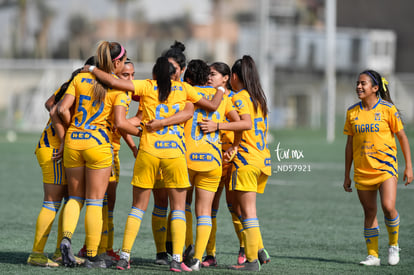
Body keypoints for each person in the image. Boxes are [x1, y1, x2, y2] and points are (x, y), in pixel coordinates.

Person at [86, 56, 225, 272]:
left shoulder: (147, 86)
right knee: (178, 208)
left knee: (137, 207)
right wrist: (221, 90)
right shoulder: (183, 89)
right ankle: (176, 259)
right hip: (174, 154)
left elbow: (113, 82)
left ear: (154, 74)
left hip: (148, 151)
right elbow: (213, 106)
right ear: (174, 74)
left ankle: (125, 257)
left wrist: (93, 68)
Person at [57, 41, 139, 268]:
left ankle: (66, 238)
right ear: (116, 63)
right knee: (95, 201)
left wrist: (75, 127)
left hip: (74, 140)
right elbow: (120, 123)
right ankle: (92, 256)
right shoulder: (119, 89)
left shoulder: (80, 78)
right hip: (98, 144)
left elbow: (62, 109)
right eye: (123, 62)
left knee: (75, 198)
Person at [178, 59, 250, 271]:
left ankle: (184, 251)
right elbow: (241, 125)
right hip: (212, 161)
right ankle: (197, 259)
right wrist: (234, 145)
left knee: (182, 208)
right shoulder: (225, 98)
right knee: (205, 212)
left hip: (187, 158)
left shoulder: (186, 91)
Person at [343, 69, 413, 266]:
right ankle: (373, 255)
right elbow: (349, 145)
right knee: (369, 212)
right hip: (362, 171)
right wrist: (347, 175)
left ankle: (393, 245)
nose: (358, 86)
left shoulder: (388, 110)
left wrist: (409, 166)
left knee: (388, 207)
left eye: (363, 83)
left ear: (375, 88)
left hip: (386, 168)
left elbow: (402, 137)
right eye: (358, 83)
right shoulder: (352, 112)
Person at [27, 64, 91, 267]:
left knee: (68, 199)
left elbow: (49, 103)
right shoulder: (78, 86)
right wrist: (64, 138)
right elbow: (54, 107)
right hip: (54, 149)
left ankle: (57, 252)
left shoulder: (74, 86)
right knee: (52, 202)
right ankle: (36, 254)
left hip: (62, 149)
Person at [76, 59, 138, 261]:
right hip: (104, 151)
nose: (130, 79)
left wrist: (132, 146)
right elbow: (120, 124)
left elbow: (120, 125)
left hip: (104, 149)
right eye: (125, 75)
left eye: (132, 75)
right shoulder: (113, 92)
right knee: (101, 202)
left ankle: (100, 246)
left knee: (105, 202)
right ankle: (98, 248)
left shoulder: (124, 92)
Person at [217, 56, 272, 272]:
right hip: (262, 160)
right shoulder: (259, 98)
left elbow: (244, 124)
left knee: (246, 211)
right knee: (243, 209)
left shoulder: (238, 97)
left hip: (246, 161)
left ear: (234, 77)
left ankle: (251, 261)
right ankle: (259, 250)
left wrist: (218, 125)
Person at [199, 61, 247, 267]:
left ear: (226, 78)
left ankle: (246, 248)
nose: (209, 78)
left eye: (213, 74)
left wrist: (234, 146)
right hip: (213, 158)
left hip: (232, 159)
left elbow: (242, 126)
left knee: (235, 207)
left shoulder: (233, 99)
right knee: (211, 208)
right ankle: (210, 254)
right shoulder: (207, 97)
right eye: (208, 74)